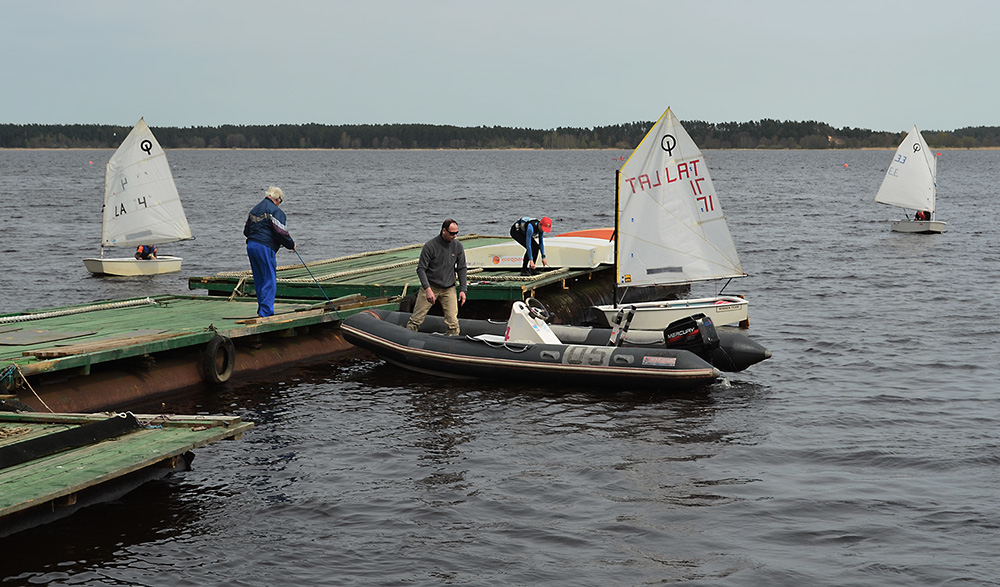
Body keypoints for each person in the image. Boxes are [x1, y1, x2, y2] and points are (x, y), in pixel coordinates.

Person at [406, 218, 468, 335]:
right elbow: (421, 269)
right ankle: (407, 339)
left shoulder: (458, 246)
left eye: (456, 233)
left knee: (453, 322)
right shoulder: (430, 246)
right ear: (444, 231)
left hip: (449, 287)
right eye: (452, 233)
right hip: (431, 286)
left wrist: (463, 289)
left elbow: (461, 268)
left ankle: (451, 344)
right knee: (416, 320)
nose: (454, 236)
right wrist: (427, 289)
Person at [244, 186, 296, 318]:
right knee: (269, 279)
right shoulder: (275, 211)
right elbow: (281, 232)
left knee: (259, 279)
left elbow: (246, 231)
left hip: (251, 245)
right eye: (281, 201)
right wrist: (291, 245)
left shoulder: (254, 209)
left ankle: (262, 310)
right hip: (264, 247)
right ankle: (266, 313)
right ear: (277, 199)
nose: (280, 204)